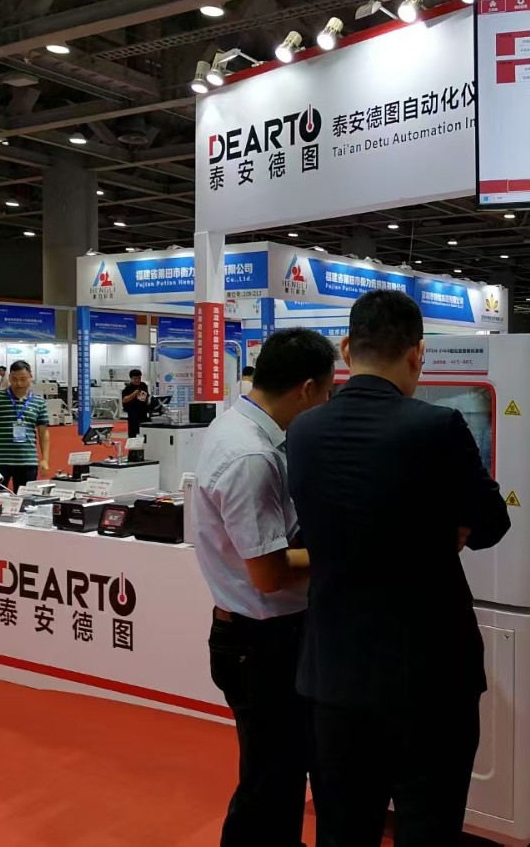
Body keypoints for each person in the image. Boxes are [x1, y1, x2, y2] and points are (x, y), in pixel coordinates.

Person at [286, 290, 511, 846]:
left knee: (343, 830)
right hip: (430, 676)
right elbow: (492, 523)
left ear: (346, 349)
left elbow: (322, 525)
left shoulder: (304, 431)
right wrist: (442, 533)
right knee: (428, 828)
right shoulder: (438, 426)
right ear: (417, 354)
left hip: (335, 673)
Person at [194, 329, 337, 847]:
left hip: (262, 637)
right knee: (271, 781)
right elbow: (269, 572)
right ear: (306, 388)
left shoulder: (241, 427)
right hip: (262, 642)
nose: (327, 405)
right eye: (327, 393)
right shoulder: (250, 456)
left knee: (279, 771)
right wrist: (346, 554)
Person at [0, 360, 50, 493]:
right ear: (9, 378)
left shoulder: (39, 402)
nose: (18, 383)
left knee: (26, 499)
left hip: (28, 459)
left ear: (31, 377)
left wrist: (45, 459)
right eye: (14, 379)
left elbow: (44, 433)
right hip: (0, 460)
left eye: (23, 379)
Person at [121, 369, 151, 439]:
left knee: (144, 432)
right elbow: (124, 400)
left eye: (139, 378)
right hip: (133, 413)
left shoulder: (143, 385)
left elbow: (146, 396)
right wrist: (134, 394)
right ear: (131, 379)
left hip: (143, 412)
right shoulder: (128, 388)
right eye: (135, 378)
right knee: (133, 433)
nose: (137, 380)